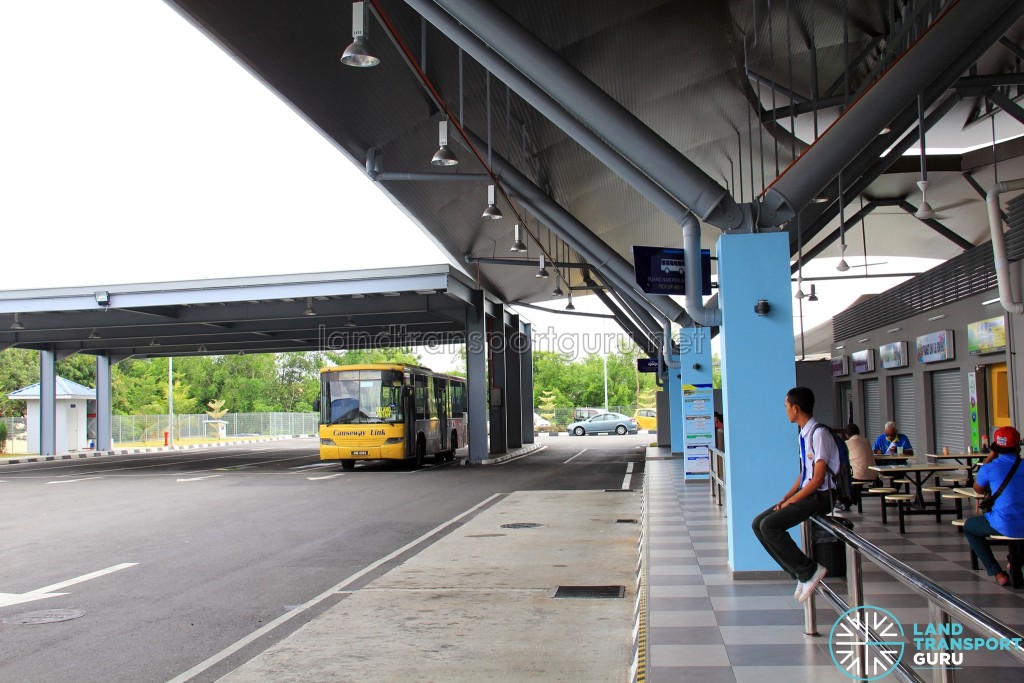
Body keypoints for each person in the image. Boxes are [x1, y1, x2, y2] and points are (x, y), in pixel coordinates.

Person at [752, 387, 838, 603]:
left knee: (769, 526)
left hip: (821, 496)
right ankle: (799, 574)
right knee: (758, 523)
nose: (786, 410)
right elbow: (804, 474)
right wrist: (786, 497)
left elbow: (818, 479)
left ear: (796, 408)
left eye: (786, 406)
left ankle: (809, 571)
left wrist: (794, 500)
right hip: (807, 494)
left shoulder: (819, 434)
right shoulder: (804, 433)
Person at [964, 426, 1024, 586]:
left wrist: (989, 458)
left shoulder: (990, 468)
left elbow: (978, 488)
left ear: (995, 448)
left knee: (970, 526)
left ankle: (998, 574)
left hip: (1003, 523)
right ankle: (1015, 562)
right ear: (1018, 447)